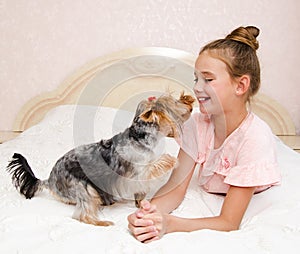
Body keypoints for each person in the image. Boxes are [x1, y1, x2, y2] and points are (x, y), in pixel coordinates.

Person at [127, 26, 281, 243]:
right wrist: (150, 213)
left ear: (241, 85)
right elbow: (175, 188)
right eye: (196, 79)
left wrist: (171, 224)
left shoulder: (254, 138)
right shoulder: (197, 124)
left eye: (208, 80)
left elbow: (228, 222)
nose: (197, 88)